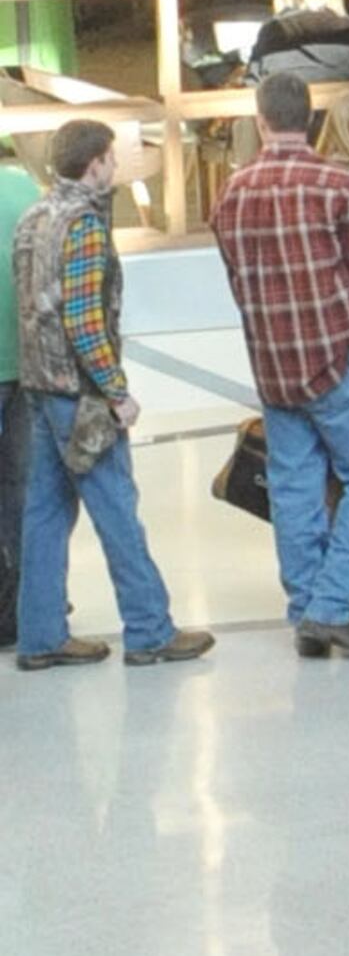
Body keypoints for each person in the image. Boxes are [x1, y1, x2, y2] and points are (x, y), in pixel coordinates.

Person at [211, 63, 349, 653]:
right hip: (339, 360)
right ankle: (331, 607)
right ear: (312, 118)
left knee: (294, 487)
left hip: (273, 366)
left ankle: (305, 609)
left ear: (260, 120)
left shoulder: (232, 192)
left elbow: (236, 278)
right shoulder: (337, 186)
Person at [17, 115, 208, 675]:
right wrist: (116, 390)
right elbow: (82, 321)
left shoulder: (34, 217)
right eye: (112, 158)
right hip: (79, 395)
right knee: (116, 509)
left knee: (46, 514)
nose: (116, 167)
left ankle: (41, 635)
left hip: (39, 385)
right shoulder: (85, 225)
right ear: (95, 163)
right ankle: (150, 629)